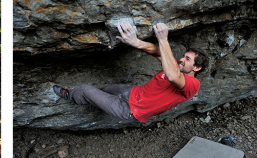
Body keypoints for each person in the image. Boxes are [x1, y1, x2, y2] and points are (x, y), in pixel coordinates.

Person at [53, 22, 209, 123]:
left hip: (130, 111)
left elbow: (173, 76)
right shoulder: (176, 66)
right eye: (183, 56)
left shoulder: (193, 85)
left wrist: (163, 39)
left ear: (197, 68)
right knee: (106, 89)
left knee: (85, 89)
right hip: (132, 92)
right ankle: (94, 98)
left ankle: (71, 95)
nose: (181, 59)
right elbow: (159, 53)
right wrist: (136, 42)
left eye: (187, 59)